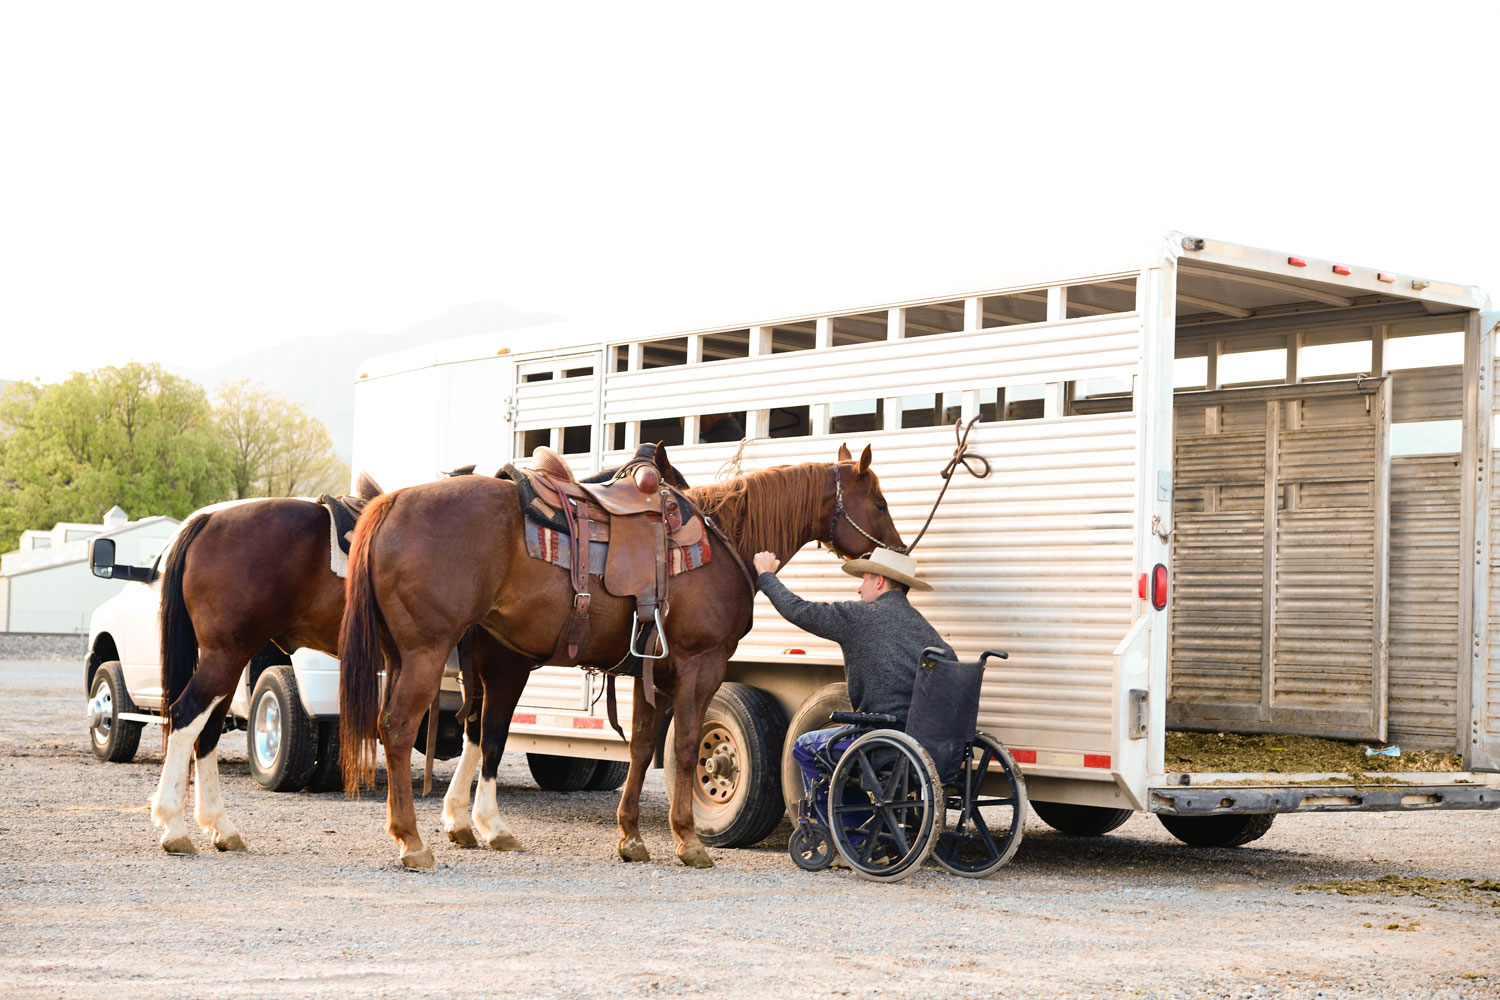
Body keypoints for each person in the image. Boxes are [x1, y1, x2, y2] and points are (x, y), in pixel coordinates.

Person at [750, 546, 954, 802]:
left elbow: (798, 611)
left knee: (805, 745)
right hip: (929, 743)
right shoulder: (924, 628)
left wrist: (766, 576)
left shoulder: (859, 617)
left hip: (883, 739)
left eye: (864, 580)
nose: (859, 589)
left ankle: (852, 830)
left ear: (879, 581)